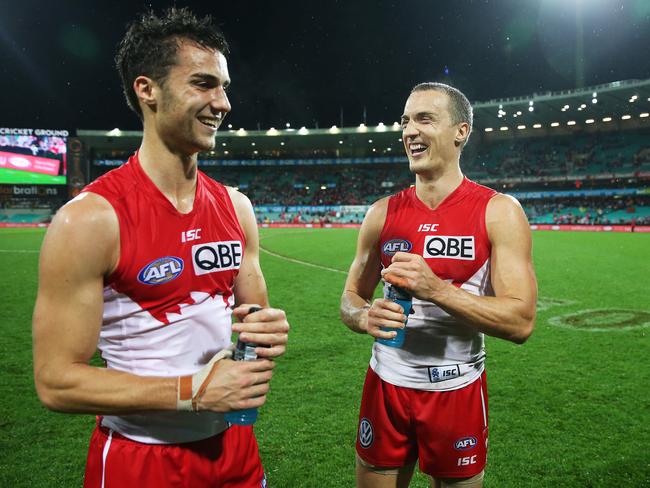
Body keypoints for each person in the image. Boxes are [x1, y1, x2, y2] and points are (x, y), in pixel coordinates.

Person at [32, 8, 289, 487]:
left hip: (234, 449)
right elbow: (56, 382)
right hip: (141, 459)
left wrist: (267, 330)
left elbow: (255, 322)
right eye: (204, 83)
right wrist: (193, 392)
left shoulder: (237, 208)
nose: (223, 103)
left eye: (225, 86)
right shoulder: (91, 218)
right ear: (146, 89)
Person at [340, 82, 537, 488]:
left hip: (456, 388)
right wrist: (362, 317)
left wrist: (437, 290)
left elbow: (520, 322)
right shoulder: (381, 213)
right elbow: (349, 297)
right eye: (405, 121)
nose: (409, 131)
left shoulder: (498, 211)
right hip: (385, 385)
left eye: (424, 119)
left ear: (460, 131)